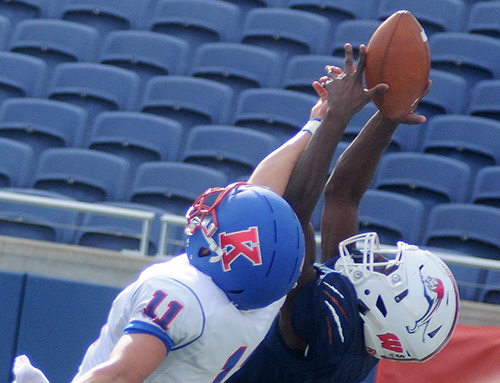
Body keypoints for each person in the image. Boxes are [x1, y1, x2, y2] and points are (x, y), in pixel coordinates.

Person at [11, 44, 385, 383]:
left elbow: (122, 374)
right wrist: (317, 124)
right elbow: (272, 197)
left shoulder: (181, 295)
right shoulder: (263, 297)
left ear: (220, 254)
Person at [226, 43, 459, 383]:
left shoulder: (329, 323)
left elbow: (288, 219)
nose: (379, 259)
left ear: (385, 305)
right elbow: (343, 196)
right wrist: (389, 117)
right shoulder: (368, 327)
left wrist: (335, 117)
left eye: (389, 269)